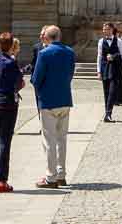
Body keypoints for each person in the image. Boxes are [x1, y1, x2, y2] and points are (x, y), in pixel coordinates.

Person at [31, 25, 75, 189]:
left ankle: (51, 177)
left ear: (48, 37)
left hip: (48, 101)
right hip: (65, 99)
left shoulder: (44, 53)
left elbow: (36, 78)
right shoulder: (70, 52)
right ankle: (61, 174)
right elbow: (71, 73)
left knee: (49, 140)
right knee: (62, 139)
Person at [0, 31, 25, 193]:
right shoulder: (11, 63)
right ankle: (2, 181)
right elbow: (20, 83)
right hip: (7, 104)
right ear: (11, 46)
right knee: (4, 142)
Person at [97, 22, 122, 122]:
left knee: (112, 92)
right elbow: (99, 57)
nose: (105, 31)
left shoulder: (118, 41)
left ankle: (109, 113)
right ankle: (107, 113)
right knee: (106, 91)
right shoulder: (101, 41)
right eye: (104, 29)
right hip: (105, 68)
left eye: (107, 29)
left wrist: (113, 57)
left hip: (115, 68)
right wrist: (98, 71)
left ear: (112, 29)